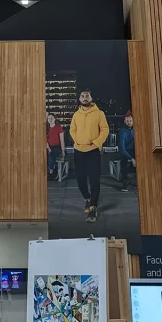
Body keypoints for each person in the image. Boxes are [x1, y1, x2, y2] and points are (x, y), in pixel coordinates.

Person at [69, 89, 109, 223]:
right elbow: (72, 129)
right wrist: (77, 141)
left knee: (94, 180)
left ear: (91, 98)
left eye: (87, 96)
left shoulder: (99, 114)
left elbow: (105, 130)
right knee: (80, 179)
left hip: (93, 151)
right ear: (79, 99)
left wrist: (97, 142)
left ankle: (93, 207)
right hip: (79, 150)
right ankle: (87, 198)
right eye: (82, 96)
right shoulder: (76, 115)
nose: (85, 98)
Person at [117, 111, 135, 192]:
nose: (129, 122)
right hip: (125, 151)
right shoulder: (122, 131)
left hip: (134, 150)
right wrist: (131, 158)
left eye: (130, 121)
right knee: (124, 162)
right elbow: (121, 149)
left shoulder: (136, 129)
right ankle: (125, 182)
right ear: (124, 121)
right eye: (127, 121)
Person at [46, 113, 66, 179]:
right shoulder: (46, 128)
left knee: (52, 154)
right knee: (50, 154)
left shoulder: (58, 128)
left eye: (52, 118)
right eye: (49, 118)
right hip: (48, 147)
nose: (50, 119)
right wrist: (48, 148)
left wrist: (63, 150)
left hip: (56, 147)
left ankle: (51, 171)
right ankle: (52, 170)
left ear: (55, 119)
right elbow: (45, 140)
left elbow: (62, 140)